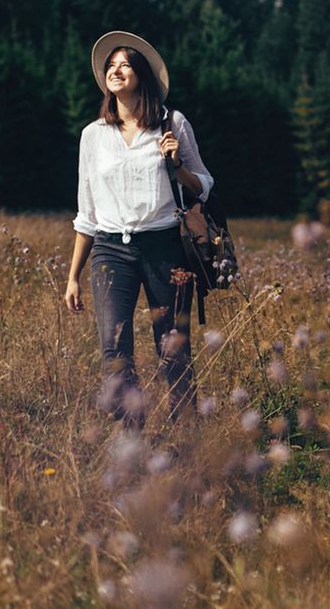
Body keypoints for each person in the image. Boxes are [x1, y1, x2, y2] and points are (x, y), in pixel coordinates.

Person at [64, 31, 214, 429]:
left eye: (125, 64)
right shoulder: (93, 135)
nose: (115, 71)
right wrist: (73, 276)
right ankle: (132, 439)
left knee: (173, 349)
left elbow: (203, 184)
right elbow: (87, 212)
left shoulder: (172, 123)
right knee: (115, 352)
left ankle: (186, 439)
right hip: (111, 251)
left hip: (165, 248)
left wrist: (177, 164)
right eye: (110, 66)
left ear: (141, 76)